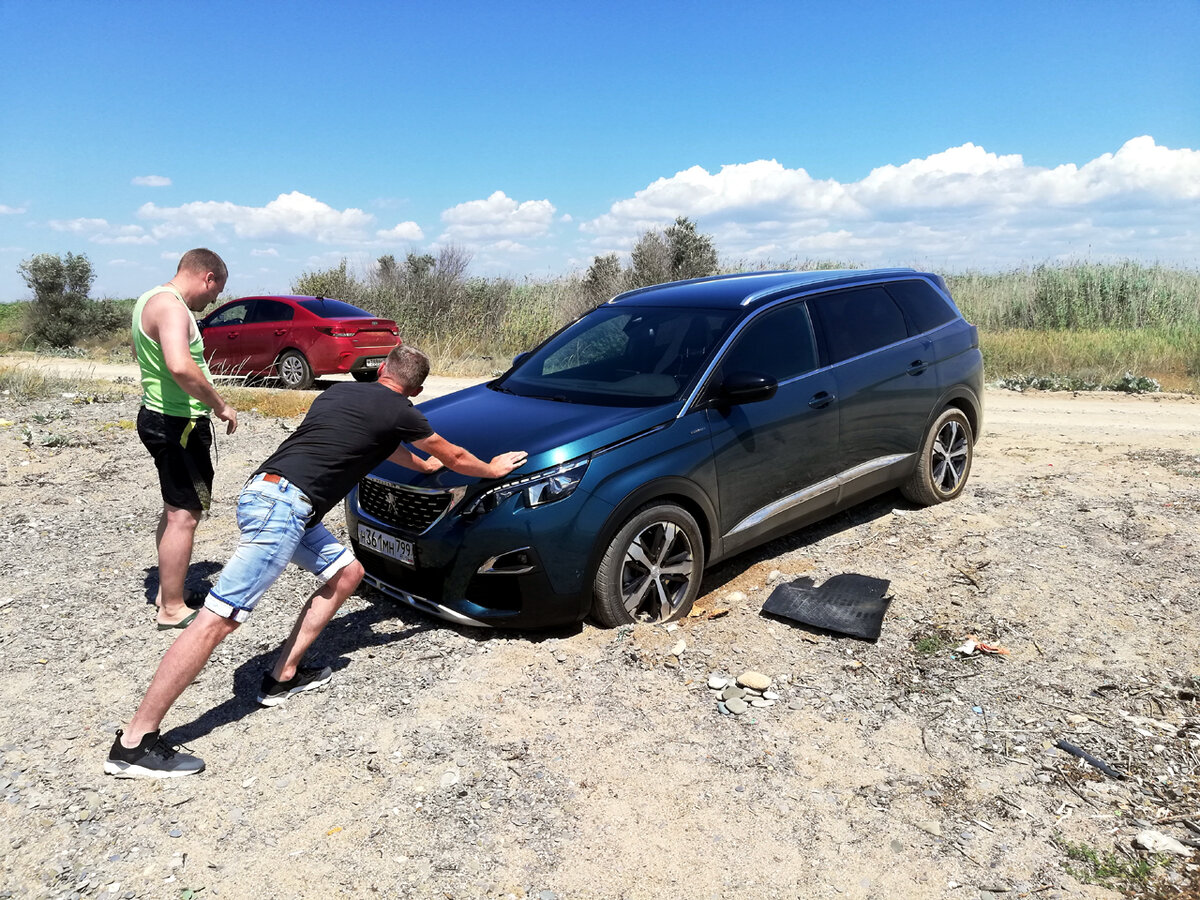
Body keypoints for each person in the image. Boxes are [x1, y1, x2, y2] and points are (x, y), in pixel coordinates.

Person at [105, 345, 527, 778]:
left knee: (348, 573)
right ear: (415, 390)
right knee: (217, 620)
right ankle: (135, 743)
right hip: (283, 509)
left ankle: (282, 676)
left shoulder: (339, 396)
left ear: (381, 369)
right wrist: (491, 470)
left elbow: (388, 449)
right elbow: (455, 457)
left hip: (265, 494)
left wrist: (423, 465)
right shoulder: (402, 413)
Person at [132, 248, 238, 629]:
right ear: (207, 276)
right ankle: (172, 608)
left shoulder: (147, 300)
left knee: (174, 508)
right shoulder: (173, 307)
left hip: (161, 417)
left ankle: (167, 591)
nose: (212, 300)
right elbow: (179, 365)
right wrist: (220, 404)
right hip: (176, 424)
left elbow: (147, 356)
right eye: (215, 292)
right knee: (184, 516)